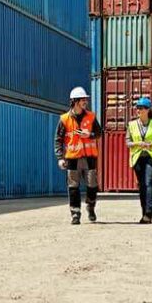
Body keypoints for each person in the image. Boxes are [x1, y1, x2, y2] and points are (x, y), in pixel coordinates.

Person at [55, 87, 103, 225]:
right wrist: (60, 157)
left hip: (89, 157)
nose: (85, 102)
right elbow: (58, 139)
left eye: (85, 99)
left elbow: (99, 133)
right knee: (73, 187)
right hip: (72, 158)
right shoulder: (64, 119)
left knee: (92, 185)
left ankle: (91, 206)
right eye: (83, 100)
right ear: (75, 101)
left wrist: (90, 135)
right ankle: (75, 213)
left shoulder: (91, 117)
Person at [126, 97, 152, 224]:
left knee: (149, 182)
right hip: (137, 158)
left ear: (148, 110)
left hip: (151, 157)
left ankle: (148, 214)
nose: (138, 111)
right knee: (142, 186)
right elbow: (127, 142)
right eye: (137, 108)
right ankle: (144, 213)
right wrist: (138, 143)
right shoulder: (131, 125)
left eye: (141, 108)